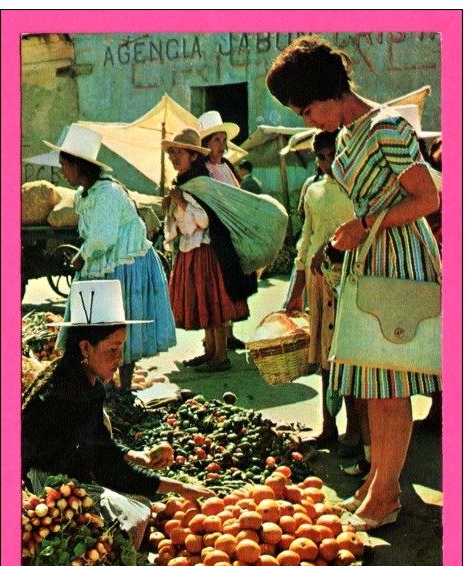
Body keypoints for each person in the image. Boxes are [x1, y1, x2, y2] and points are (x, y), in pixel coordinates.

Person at [266, 35, 441, 530]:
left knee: (392, 381)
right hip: (368, 259)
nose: (307, 121)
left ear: (327, 91)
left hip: (398, 261)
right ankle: (375, 484)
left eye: (306, 109)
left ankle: (387, 493)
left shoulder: (387, 126)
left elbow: (427, 199)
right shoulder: (348, 134)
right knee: (375, 383)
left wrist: (365, 226)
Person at [22, 280, 213, 546]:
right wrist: (177, 487)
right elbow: (105, 465)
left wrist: (137, 456)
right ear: (86, 348)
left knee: (138, 506)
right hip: (48, 488)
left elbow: (99, 442)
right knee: (132, 517)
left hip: (75, 469)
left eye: (121, 348)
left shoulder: (85, 382)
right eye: (113, 349)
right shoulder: (63, 394)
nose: (119, 358)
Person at [43, 123, 176, 390]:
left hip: (127, 264)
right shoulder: (86, 194)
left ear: (80, 164)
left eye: (65, 165)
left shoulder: (108, 193)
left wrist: (83, 256)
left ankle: (123, 387)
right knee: (95, 328)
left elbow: (103, 238)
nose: (63, 172)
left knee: (120, 327)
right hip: (107, 262)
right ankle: (102, 384)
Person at [284, 130, 361, 453]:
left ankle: (356, 431)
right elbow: (306, 239)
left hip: (348, 280)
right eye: (321, 157)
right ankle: (328, 426)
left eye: (333, 156)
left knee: (349, 359)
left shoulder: (358, 191)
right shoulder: (313, 191)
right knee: (324, 359)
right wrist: (296, 289)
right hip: (317, 282)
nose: (327, 163)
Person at [161, 128, 255, 372]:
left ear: (193, 156)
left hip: (206, 249)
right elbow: (178, 224)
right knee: (203, 302)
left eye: (178, 152)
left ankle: (220, 356)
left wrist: (180, 202)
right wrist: (170, 209)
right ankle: (211, 352)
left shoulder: (201, 183)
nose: (173, 157)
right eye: (171, 153)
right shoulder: (182, 182)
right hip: (190, 248)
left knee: (213, 303)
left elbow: (204, 219)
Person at [197, 110, 257, 351]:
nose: (221, 145)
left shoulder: (228, 167)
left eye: (223, 140)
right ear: (205, 144)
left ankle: (229, 334)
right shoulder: (201, 170)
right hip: (212, 236)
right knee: (215, 289)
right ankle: (214, 342)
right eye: (216, 140)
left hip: (232, 234)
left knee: (232, 284)